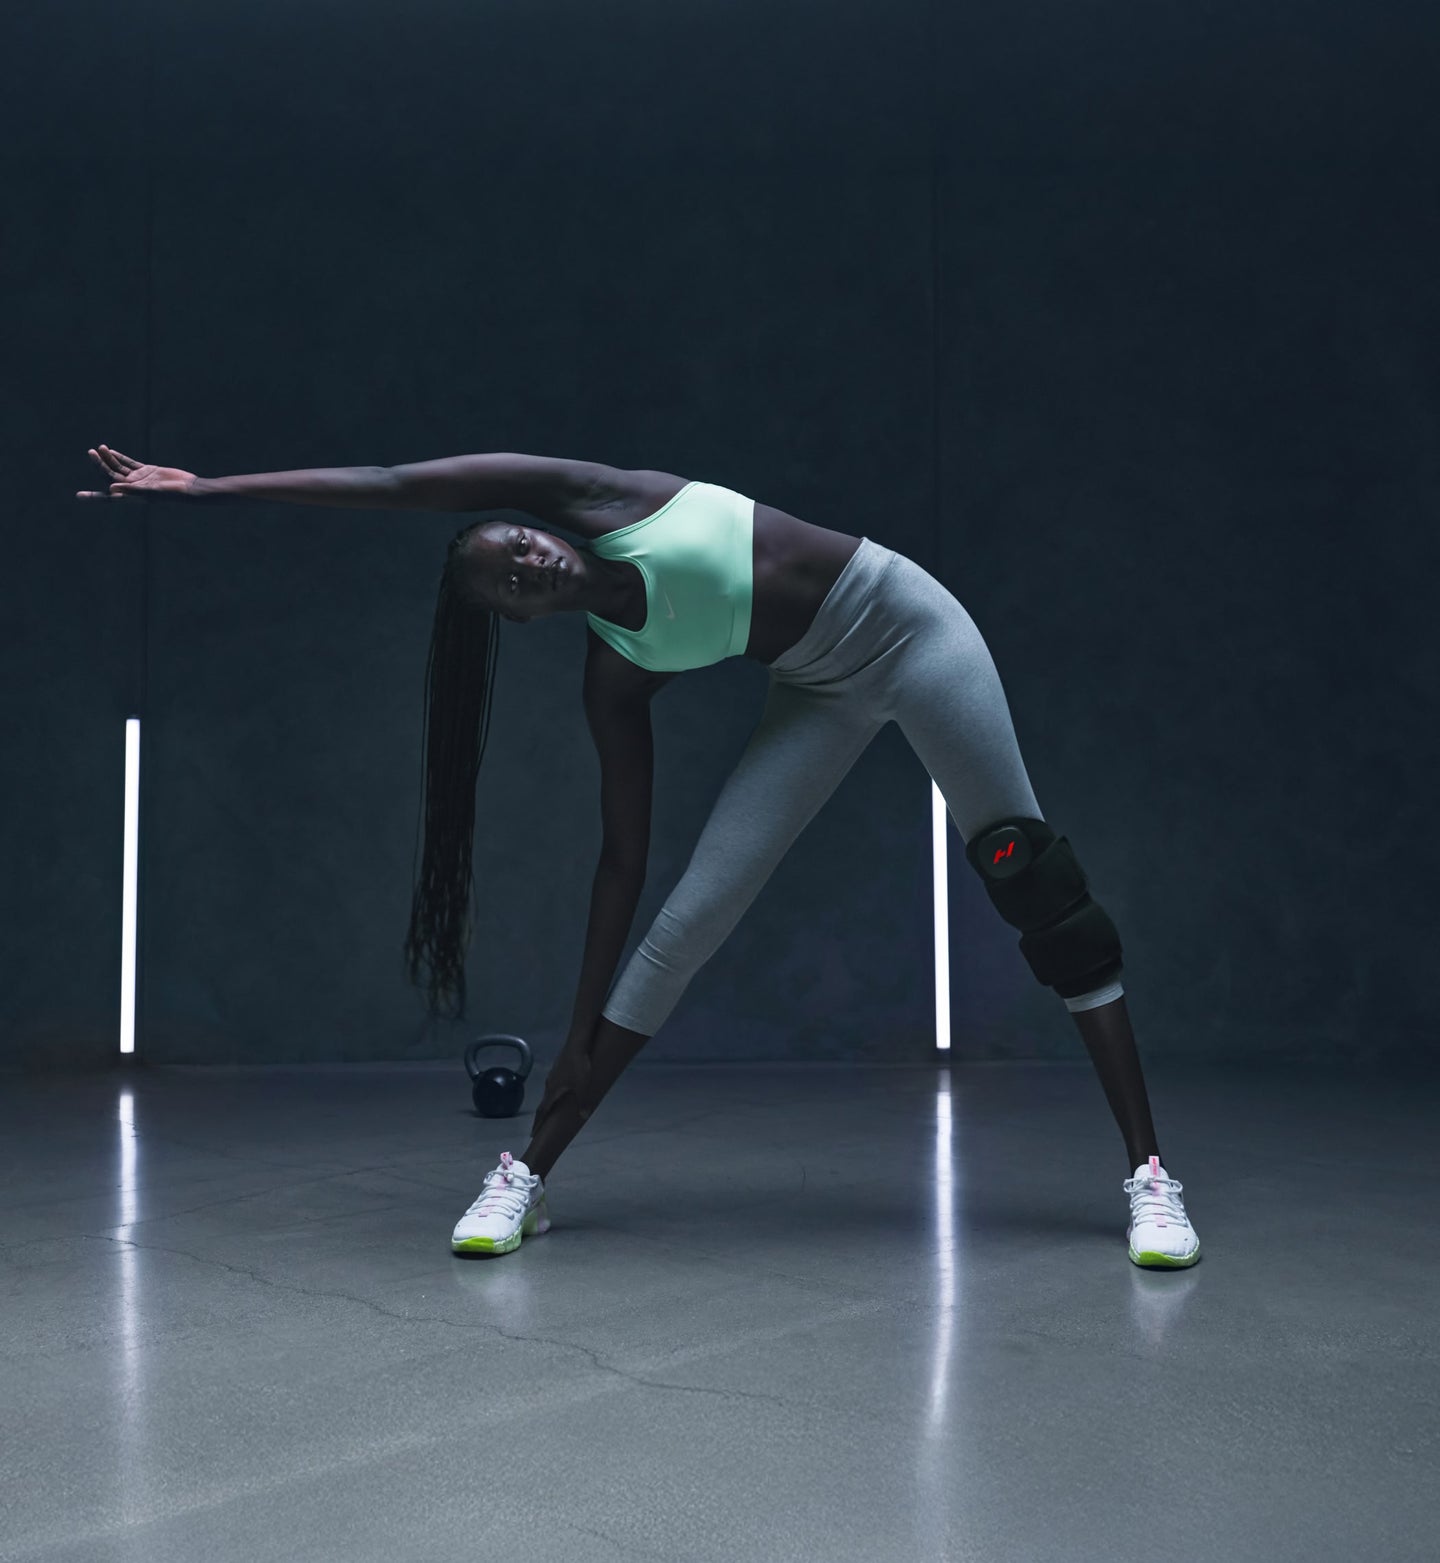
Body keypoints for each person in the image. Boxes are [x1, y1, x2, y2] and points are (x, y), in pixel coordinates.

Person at [79, 443, 1201, 1269]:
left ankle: (1150, 1176)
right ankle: (527, 1176)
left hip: (914, 631)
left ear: (544, 527)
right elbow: (624, 862)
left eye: (519, 546)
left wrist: (210, 487)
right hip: (817, 689)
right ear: (520, 617)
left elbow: (391, 486)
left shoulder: (604, 498)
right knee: (683, 924)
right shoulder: (617, 675)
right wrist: (576, 1034)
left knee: (1031, 881)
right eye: (508, 585)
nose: (526, 565)